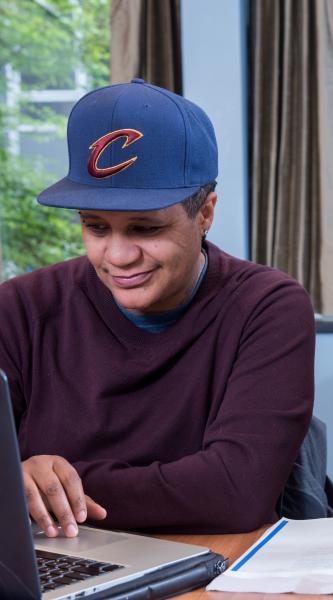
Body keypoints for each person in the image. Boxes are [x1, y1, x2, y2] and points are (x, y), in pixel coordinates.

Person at [0, 79, 315, 538]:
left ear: (204, 213)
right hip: (58, 567)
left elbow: (237, 493)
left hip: (215, 570)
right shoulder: (20, 308)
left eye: (145, 228)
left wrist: (43, 491)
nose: (119, 256)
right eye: (95, 227)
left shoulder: (267, 307)